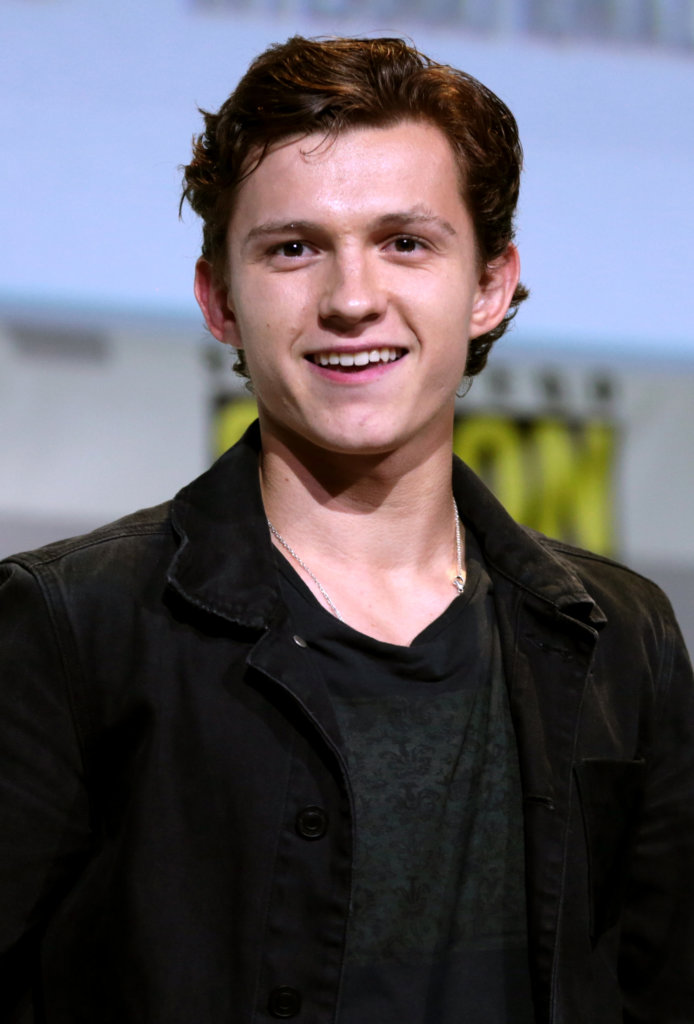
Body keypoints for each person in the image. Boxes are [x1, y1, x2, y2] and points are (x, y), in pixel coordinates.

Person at [1, 35, 693, 1024]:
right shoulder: (72, 625)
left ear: (490, 285)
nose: (352, 299)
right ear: (219, 299)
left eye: (404, 242)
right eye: (293, 248)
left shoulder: (622, 636)